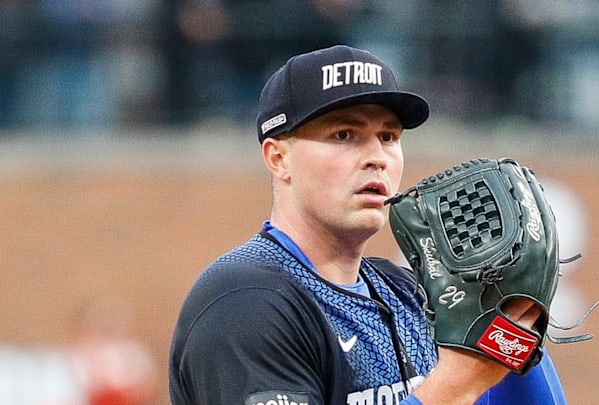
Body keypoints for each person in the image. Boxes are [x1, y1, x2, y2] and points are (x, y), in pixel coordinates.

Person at [169, 45, 568, 405]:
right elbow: (456, 387)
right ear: (278, 158)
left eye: (389, 136)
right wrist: (457, 381)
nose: (377, 156)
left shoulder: (411, 293)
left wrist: (513, 322)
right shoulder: (246, 303)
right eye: (345, 134)